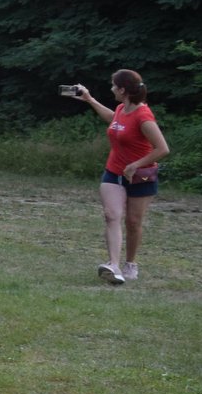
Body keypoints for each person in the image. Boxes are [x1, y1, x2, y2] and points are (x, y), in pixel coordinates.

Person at [65, 70, 170, 285]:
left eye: (114, 85)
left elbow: (162, 149)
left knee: (133, 222)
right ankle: (113, 265)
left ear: (123, 90)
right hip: (113, 172)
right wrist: (89, 99)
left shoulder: (143, 116)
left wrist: (135, 165)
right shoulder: (122, 109)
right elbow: (113, 119)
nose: (111, 88)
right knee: (111, 215)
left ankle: (130, 264)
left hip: (140, 176)